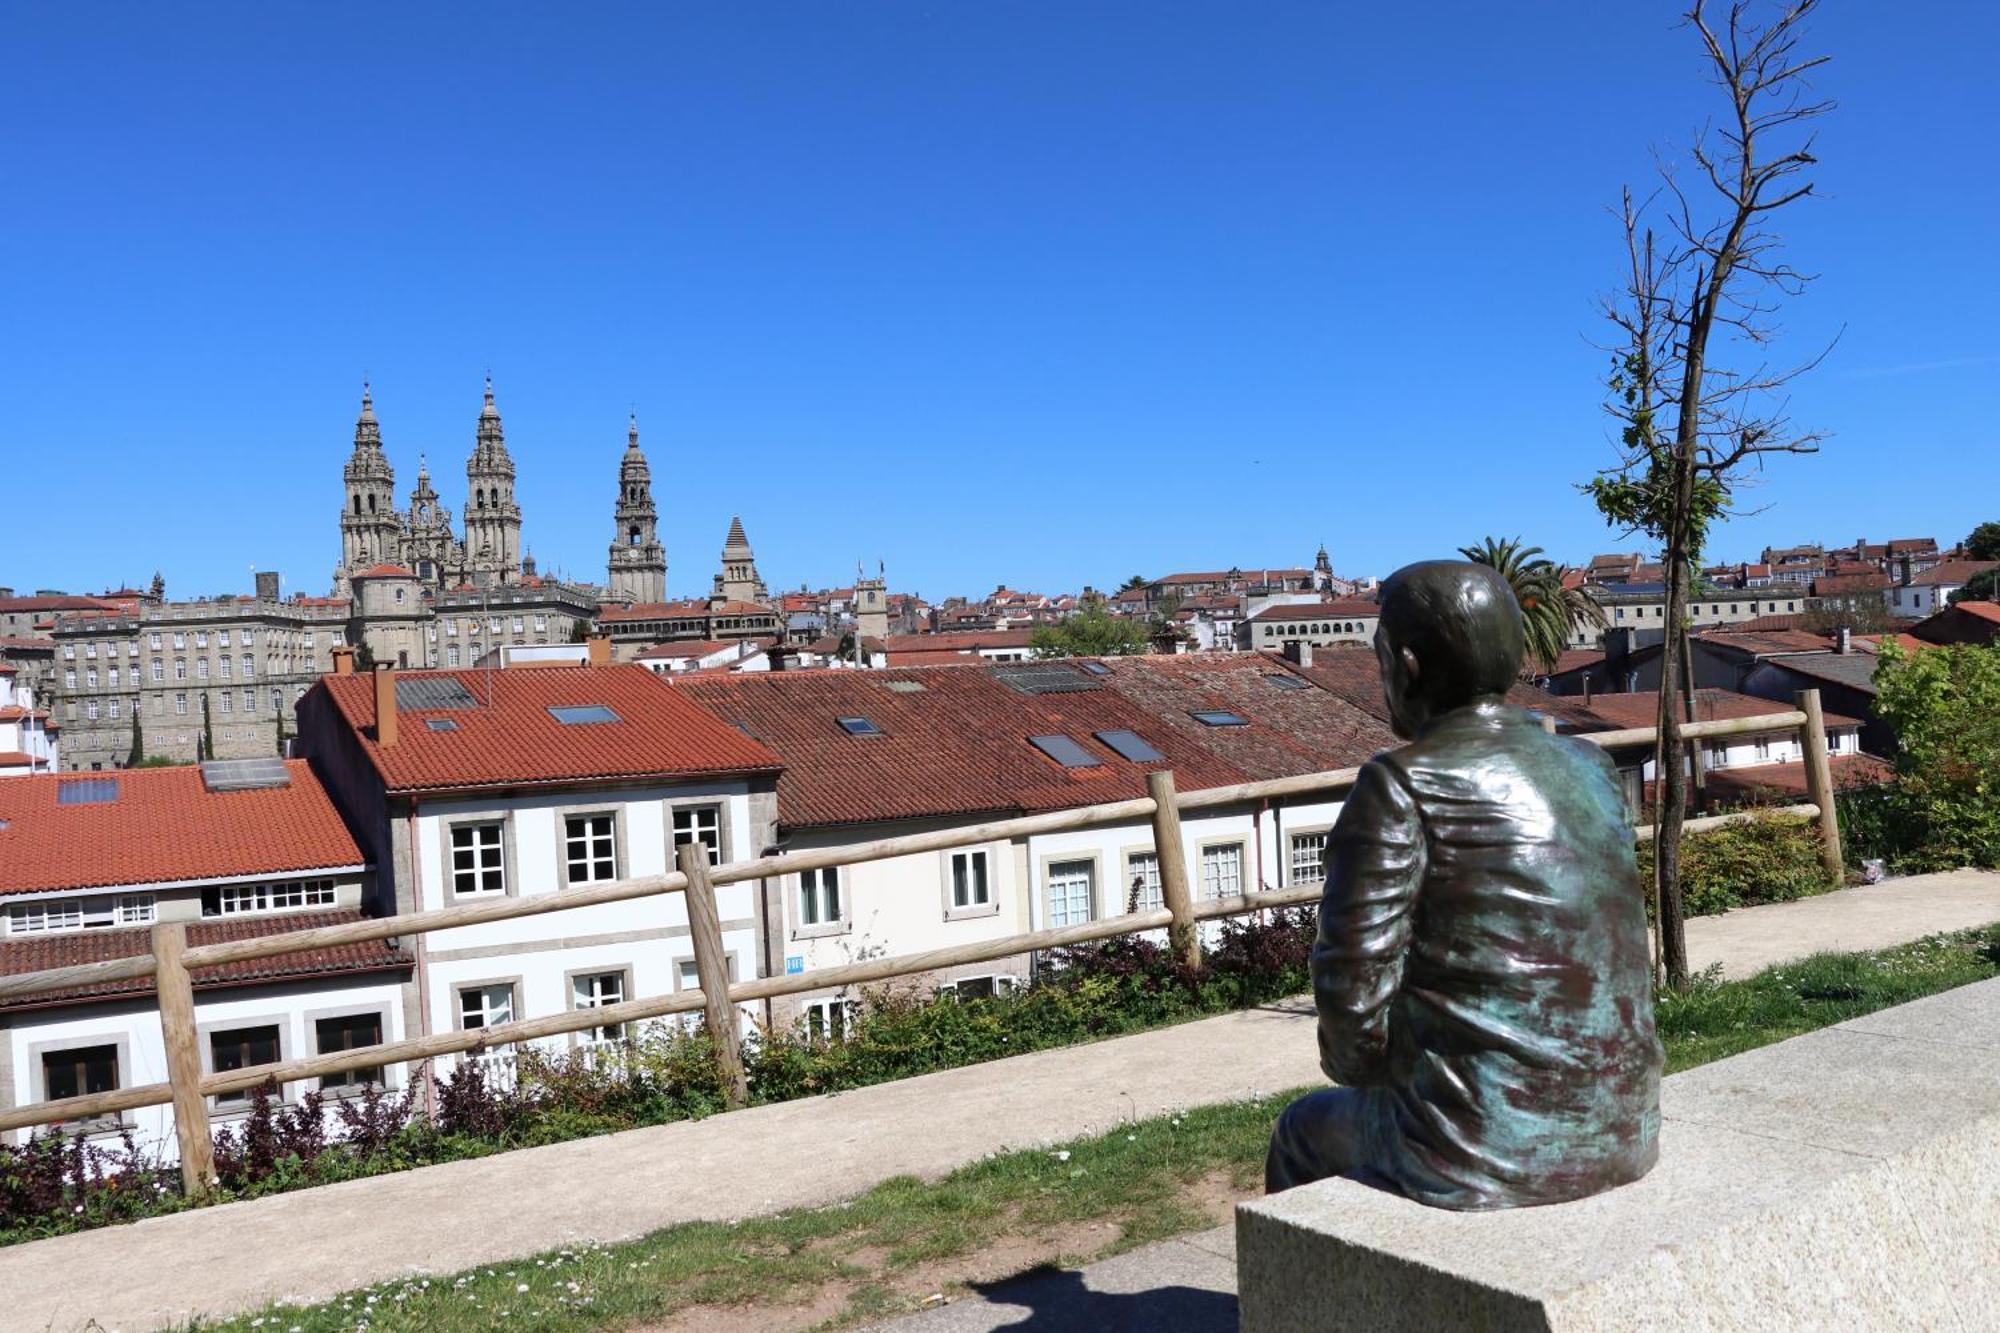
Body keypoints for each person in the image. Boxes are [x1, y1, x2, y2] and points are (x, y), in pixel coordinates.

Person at [1266, 560, 1662, 1209]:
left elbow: (1351, 1015)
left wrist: (1412, 1077)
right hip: (1626, 1124)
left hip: (1481, 1147)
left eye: (1381, 658)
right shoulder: (1589, 766)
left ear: (1408, 665)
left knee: (1299, 1132)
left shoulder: (1399, 784)